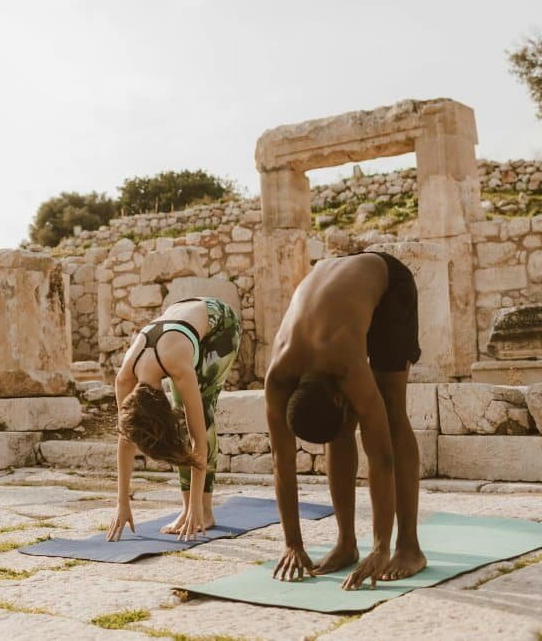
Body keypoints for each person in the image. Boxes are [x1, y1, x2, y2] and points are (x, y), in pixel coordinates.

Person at [265, 250, 426, 590]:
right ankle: (346, 543)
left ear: (341, 395)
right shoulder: (278, 377)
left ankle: (409, 547)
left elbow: (380, 456)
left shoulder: (347, 367)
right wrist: (292, 542)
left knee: (393, 411)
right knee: (339, 433)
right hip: (336, 286)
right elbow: (282, 460)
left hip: (386, 283)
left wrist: (382, 546)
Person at [105, 296, 241, 543]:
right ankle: (186, 508)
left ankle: (204, 511)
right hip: (180, 320)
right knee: (184, 409)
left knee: (203, 412)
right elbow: (126, 438)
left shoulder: (177, 365)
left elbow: (198, 439)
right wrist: (122, 503)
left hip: (219, 323)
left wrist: (197, 508)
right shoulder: (124, 378)